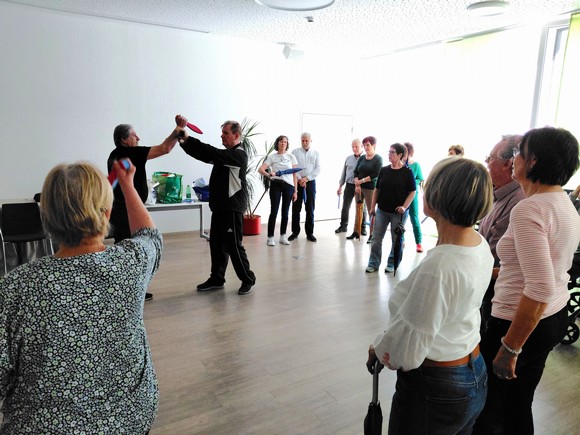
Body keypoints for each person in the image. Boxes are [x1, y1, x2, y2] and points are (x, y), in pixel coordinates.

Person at [0, 161, 161, 433]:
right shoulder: (131, 263)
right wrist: (127, 184)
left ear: (46, 217)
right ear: (107, 213)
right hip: (130, 420)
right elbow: (150, 236)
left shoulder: (15, 287)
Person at [366, 157, 494, 434]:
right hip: (472, 369)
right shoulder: (479, 244)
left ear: (437, 198)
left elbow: (408, 350)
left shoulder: (439, 267)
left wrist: (381, 349)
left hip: (436, 386)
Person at [473, 127, 580, 435]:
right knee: (518, 403)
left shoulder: (529, 208)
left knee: (491, 406)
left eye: (519, 153)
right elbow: (540, 270)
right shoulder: (563, 203)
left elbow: (539, 286)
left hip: (518, 323)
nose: (513, 159)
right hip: (551, 316)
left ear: (532, 161)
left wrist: (510, 347)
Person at [178, 118, 256, 295]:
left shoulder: (238, 155)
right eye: (222, 133)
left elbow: (210, 152)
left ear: (236, 135)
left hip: (232, 208)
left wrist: (187, 137)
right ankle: (217, 279)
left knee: (234, 246)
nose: (222, 136)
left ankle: (248, 279)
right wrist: (183, 142)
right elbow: (203, 154)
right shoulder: (225, 156)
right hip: (220, 207)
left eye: (225, 133)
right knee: (216, 244)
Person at [108, 121, 179, 301]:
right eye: (134, 135)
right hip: (126, 211)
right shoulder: (131, 153)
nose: (138, 138)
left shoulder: (114, 154)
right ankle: (130, 292)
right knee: (131, 250)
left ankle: (128, 290)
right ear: (124, 139)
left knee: (124, 249)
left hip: (120, 209)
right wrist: (178, 130)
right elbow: (165, 148)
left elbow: (110, 182)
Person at [478, 134, 525, 330]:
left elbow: (495, 257)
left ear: (508, 163)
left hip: (494, 292)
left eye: (490, 158)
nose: (486, 163)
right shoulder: (501, 194)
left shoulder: (518, 202)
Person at [366, 143, 415, 273]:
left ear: (400, 155)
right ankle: (373, 263)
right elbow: (377, 190)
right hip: (382, 210)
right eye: (389, 152)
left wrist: (404, 207)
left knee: (396, 239)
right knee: (376, 238)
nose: (389, 154)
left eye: (392, 152)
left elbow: (412, 192)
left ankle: (392, 263)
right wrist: (372, 207)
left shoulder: (407, 172)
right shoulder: (384, 170)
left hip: (398, 213)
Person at [258, 135, 298, 246]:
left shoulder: (291, 156)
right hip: (276, 185)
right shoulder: (272, 157)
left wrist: (295, 191)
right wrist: (269, 175)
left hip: (289, 186)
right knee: (274, 211)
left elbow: (295, 174)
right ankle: (270, 237)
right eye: (281, 141)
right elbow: (260, 169)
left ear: (287, 144)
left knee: (285, 212)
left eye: (285, 142)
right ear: (277, 143)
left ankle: (283, 236)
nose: (283, 143)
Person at [289, 132, 321, 242]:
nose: (304, 142)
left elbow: (318, 169)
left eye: (307, 140)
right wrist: (300, 179)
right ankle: (295, 232)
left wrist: (306, 178)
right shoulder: (295, 152)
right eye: (303, 140)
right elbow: (293, 167)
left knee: (310, 208)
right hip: (297, 182)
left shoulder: (316, 153)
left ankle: (310, 233)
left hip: (310, 182)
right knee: (296, 208)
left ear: (311, 141)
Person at [350, 136, 383, 242]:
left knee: (371, 211)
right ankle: (356, 231)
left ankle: (372, 234)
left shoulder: (378, 158)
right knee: (358, 210)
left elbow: (376, 174)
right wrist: (357, 184)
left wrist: (361, 181)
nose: (366, 147)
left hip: (370, 189)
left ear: (374, 145)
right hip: (359, 188)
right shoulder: (362, 158)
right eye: (364, 145)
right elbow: (355, 171)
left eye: (368, 145)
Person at [336, 139, 365, 234]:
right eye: (353, 147)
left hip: (360, 186)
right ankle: (343, 226)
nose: (354, 149)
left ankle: (363, 228)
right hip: (349, 186)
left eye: (356, 146)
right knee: (345, 207)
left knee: (362, 208)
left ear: (361, 146)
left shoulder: (365, 158)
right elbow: (343, 173)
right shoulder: (348, 158)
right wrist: (340, 186)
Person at [403, 142, 425, 252]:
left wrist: (411, 183)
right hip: (401, 194)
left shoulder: (416, 165)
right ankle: (401, 239)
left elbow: (420, 178)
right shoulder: (400, 164)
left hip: (413, 195)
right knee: (401, 218)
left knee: (414, 217)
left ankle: (419, 243)